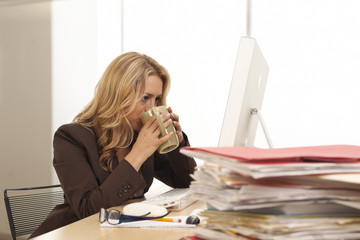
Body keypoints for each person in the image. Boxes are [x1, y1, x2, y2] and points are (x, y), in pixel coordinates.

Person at [29, 52, 196, 238]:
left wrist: (177, 142)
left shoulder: (138, 134)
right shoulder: (71, 137)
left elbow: (187, 183)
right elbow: (88, 210)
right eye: (145, 98)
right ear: (119, 95)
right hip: (74, 232)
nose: (152, 108)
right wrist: (138, 155)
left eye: (157, 99)